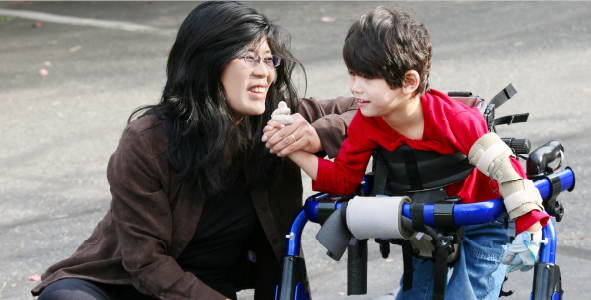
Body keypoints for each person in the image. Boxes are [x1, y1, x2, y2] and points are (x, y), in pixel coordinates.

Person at [31, 2, 357, 300]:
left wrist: (316, 134)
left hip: (207, 286)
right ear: (207, 61)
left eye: (268, 58)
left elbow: (371, 108)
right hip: (124, 285)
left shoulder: (278, 118)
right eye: (249, 56)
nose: (264, 72)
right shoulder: (147, 141)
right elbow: (145, 263)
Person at [270, 6, 550, 300]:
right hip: (425, 224)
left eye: (367, 77)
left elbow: (505, 167)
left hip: (481, 223)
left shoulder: (454, 119)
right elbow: (342, 180)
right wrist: (292, 149)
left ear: (409, 82)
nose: (354, 87)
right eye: (352, 74)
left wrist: (530, 228)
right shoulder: (367, 124)